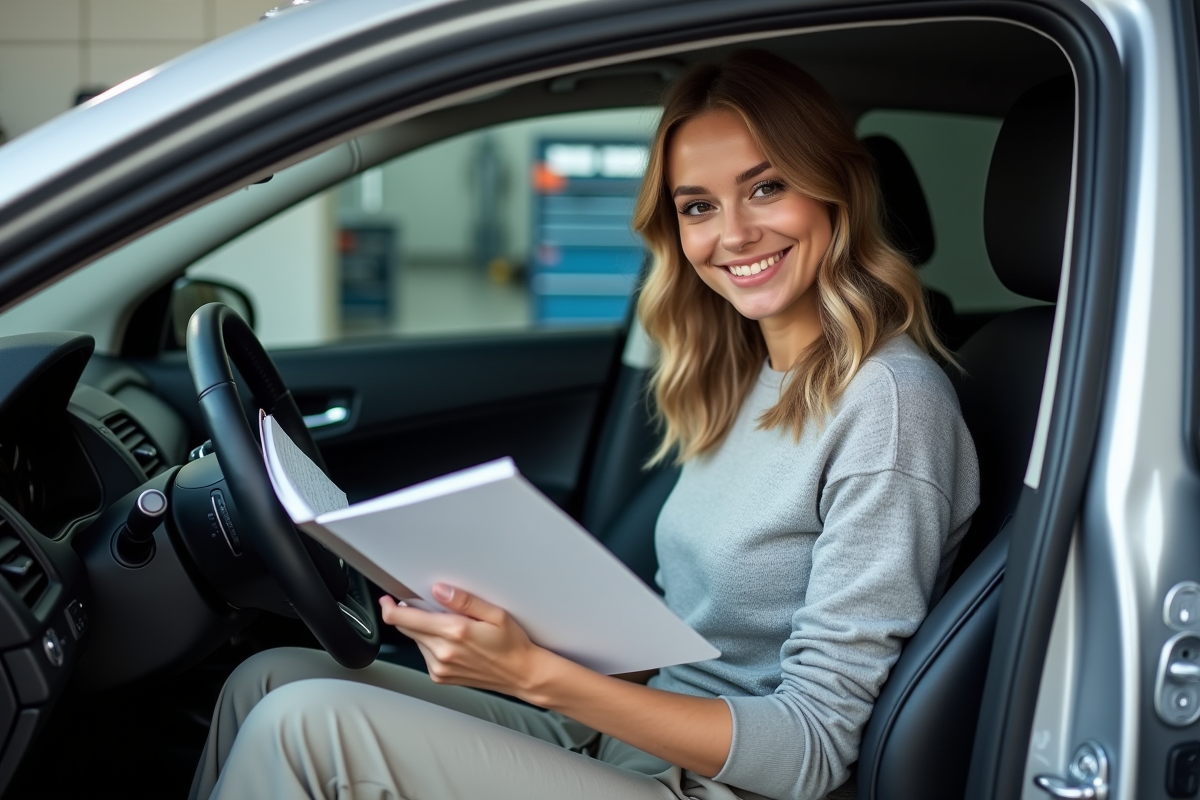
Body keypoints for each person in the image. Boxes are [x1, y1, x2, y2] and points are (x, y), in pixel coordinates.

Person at [190, 50, 979, 800]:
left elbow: (815, 750)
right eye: (698, 207)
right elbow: (701, 647)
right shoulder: (743, 375)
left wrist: (532, 673)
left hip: (720, 786)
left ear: (836, 189)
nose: (732, 235)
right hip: (636, 744)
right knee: (271, 677)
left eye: (767, 188)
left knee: (303, 726)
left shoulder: (891, 404)